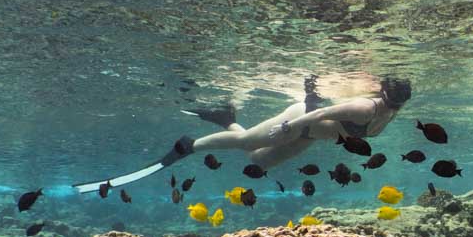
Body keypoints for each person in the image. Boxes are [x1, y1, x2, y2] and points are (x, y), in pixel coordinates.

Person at [73, 76, 411, 193]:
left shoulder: (391, 112)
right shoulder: (366, 108)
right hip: (301, 120)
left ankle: (225, 119)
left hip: (309, 136)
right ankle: (188, 146)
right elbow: (321, 112)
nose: (392, 104)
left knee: (258, 160)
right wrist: (289, 127)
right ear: (384, 93)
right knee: (248, 142)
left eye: (397, 102)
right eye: (391, 98)